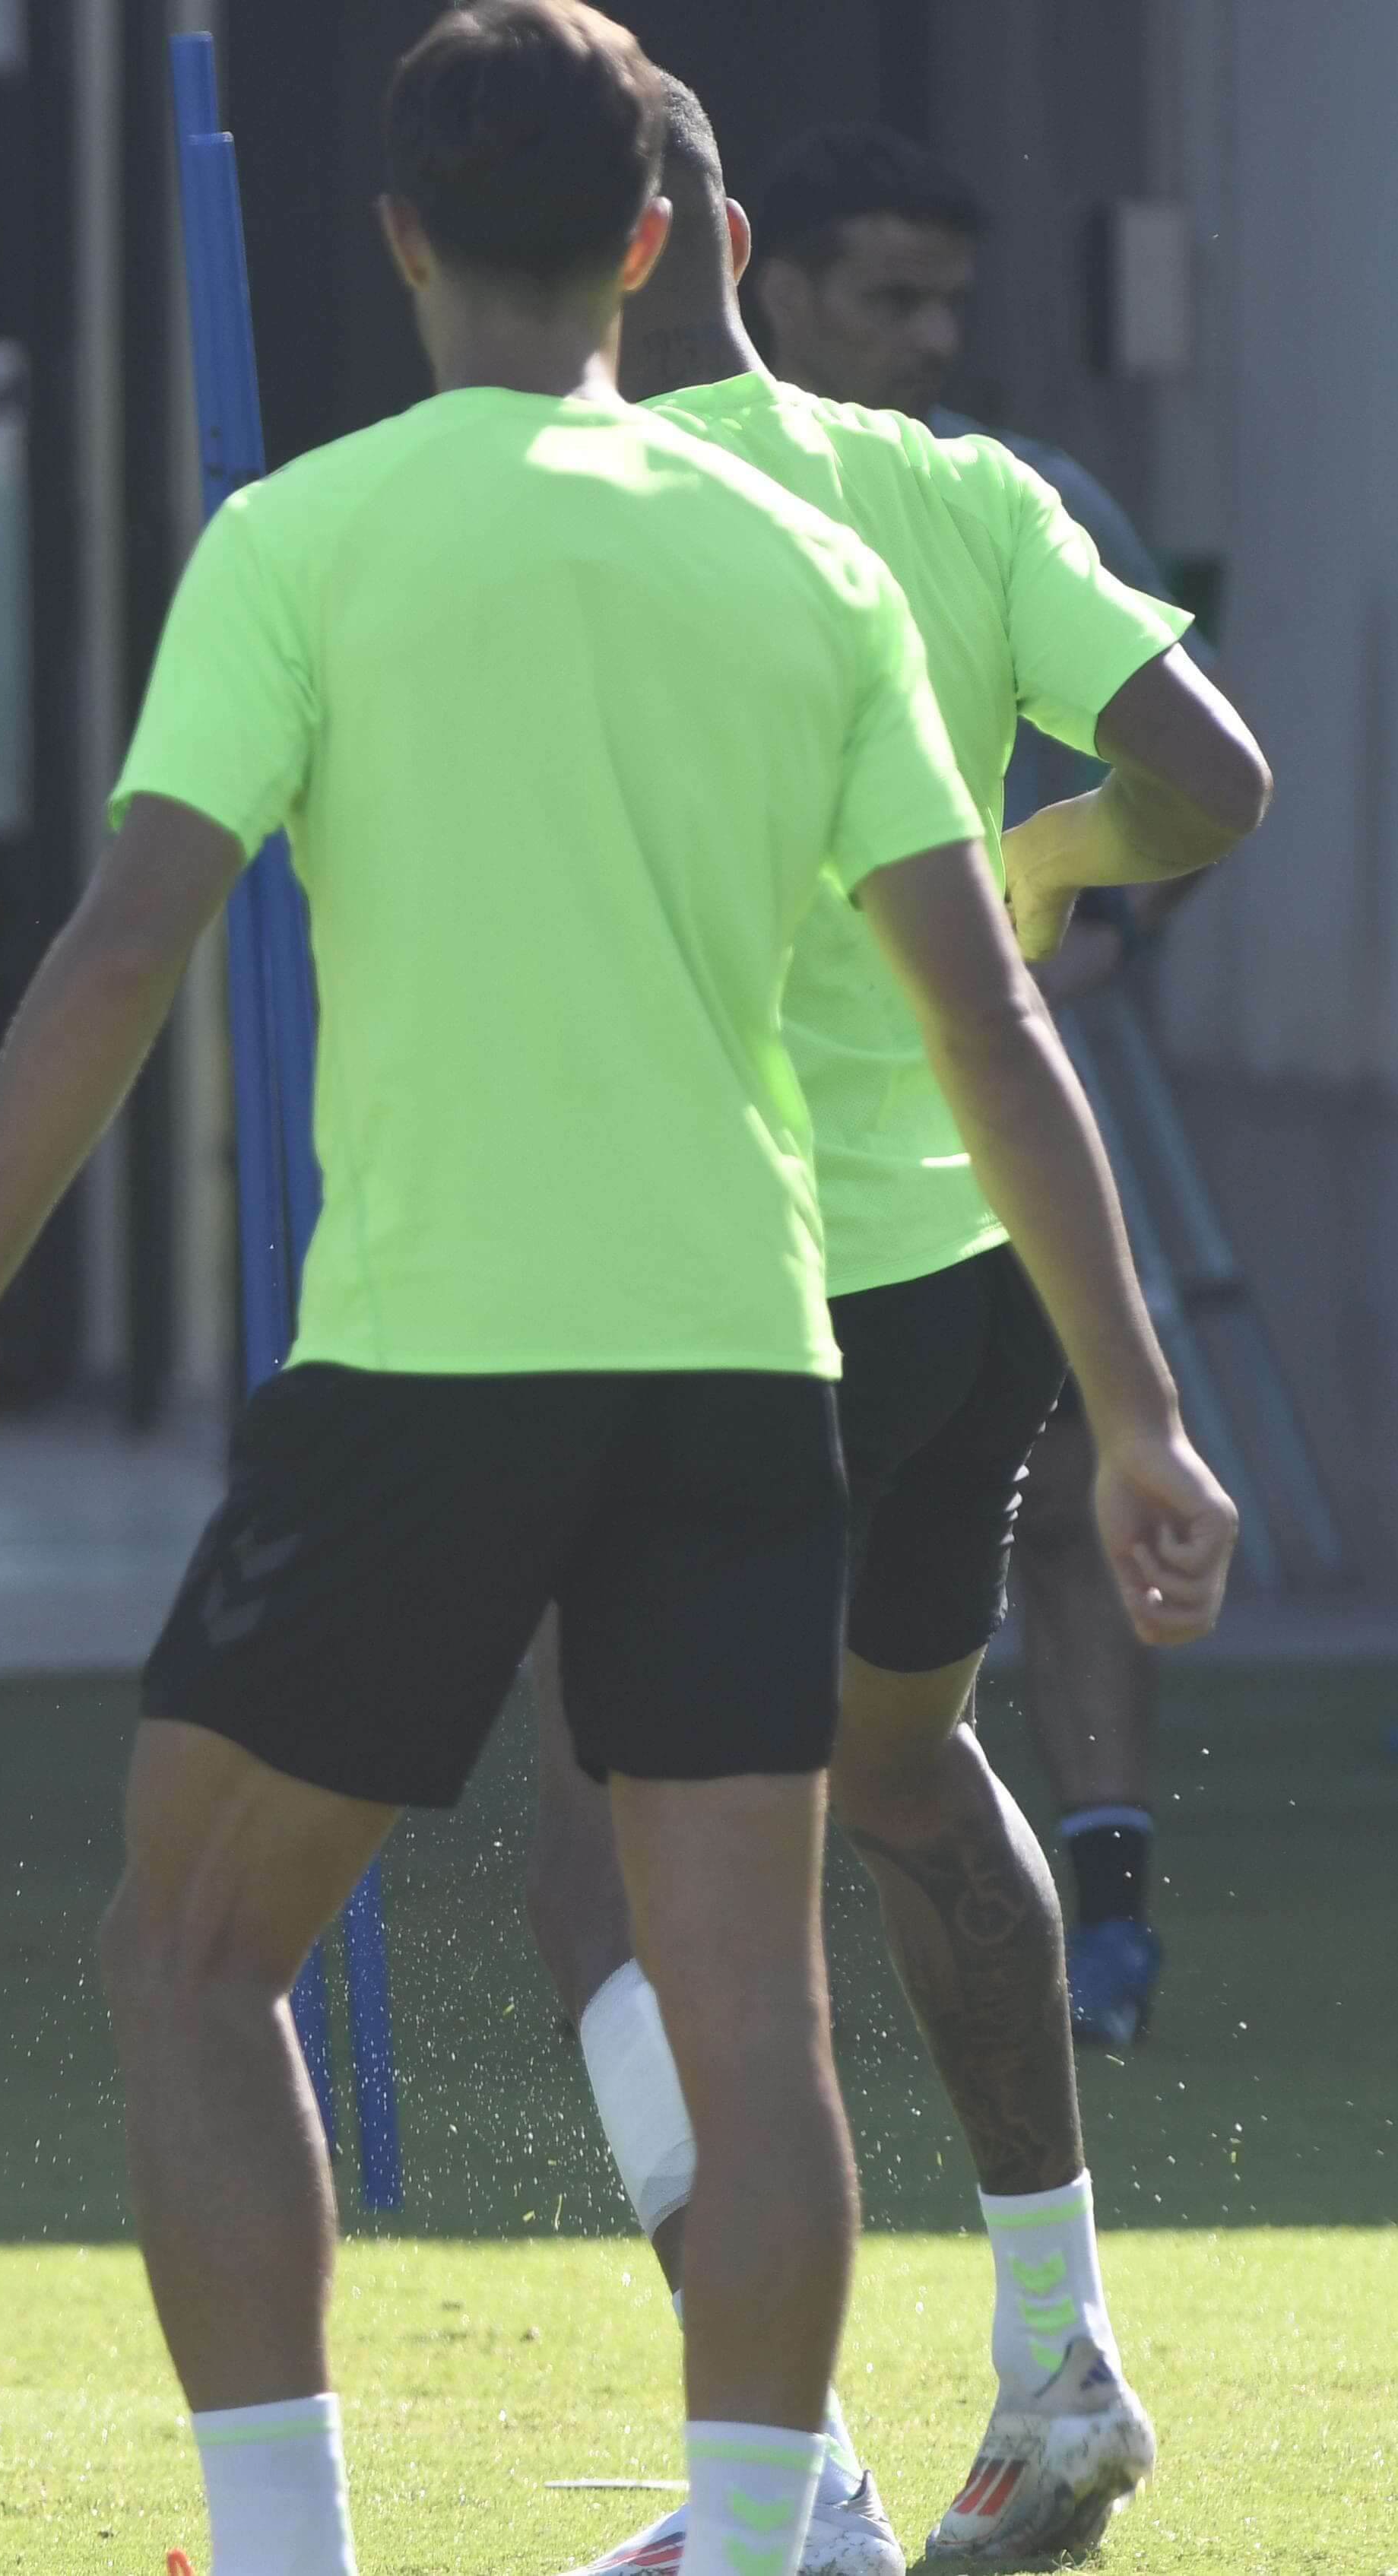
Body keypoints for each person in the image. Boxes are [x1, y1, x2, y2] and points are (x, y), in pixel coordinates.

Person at [0, 11, 1236, 2576]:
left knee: (187, 1942)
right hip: (746, 1364)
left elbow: (130, 931)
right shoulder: (815, 558)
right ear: (669, 242)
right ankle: (769, 2525)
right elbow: (994, 1021)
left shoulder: (306, 534)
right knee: (759, 2007)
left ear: (393, 246)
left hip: (433, 1357)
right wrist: (1140, 1407)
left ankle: (287, 2547)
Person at [521, 75, 1273, 2576]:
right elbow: (1214, 776)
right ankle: (1056, 2348)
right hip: (963, 1271)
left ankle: (795, 2483)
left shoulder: (569, 509)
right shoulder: (961, 496)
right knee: (916, 1774)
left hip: (718, 1280)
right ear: (732, 235)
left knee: (609, 1857)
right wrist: (1046, 856)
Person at [753, 120, 1206, 2050]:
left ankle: (1106, 1900)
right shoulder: (699, 496)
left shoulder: (1017, 494)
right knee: (850, 1703)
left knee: (1078, 1504)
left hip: (999, 1122)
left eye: (950, 298)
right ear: (774, 286)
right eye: (891, 294)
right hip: (789, 1175)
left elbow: (1180, 793)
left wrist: (1049, 908)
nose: (930, 332)